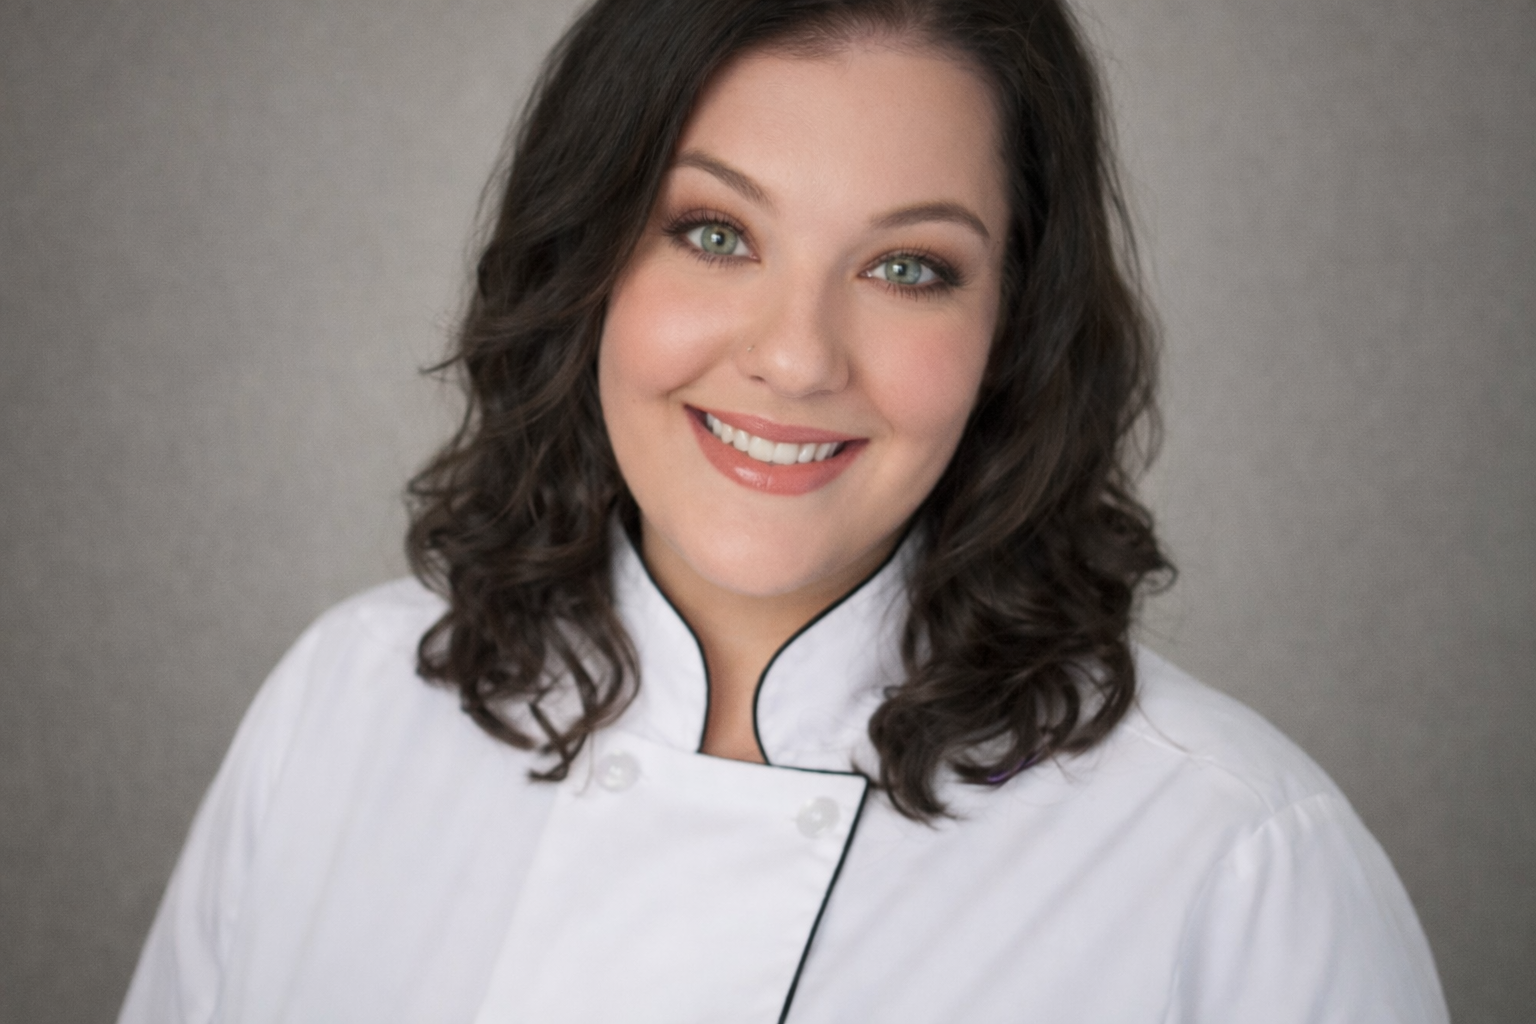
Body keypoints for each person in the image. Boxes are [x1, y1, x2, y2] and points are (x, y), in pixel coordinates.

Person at [118, 0, 1450, 1021]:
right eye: (714, 233)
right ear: (584, 255)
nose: (800, 357)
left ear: (1012, 330)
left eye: (910, 266)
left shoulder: (1238, 862)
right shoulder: (343, 710)